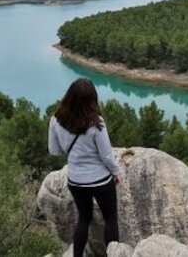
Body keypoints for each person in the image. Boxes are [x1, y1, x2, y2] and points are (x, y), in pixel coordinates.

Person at [48, 78, 121, 256]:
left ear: (69, 96)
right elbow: (106, 155)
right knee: (110, 219)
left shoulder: (56, 120)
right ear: (92, 99)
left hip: (76, 182)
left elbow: (54, 150)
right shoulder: (97, 123)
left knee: (84, 218)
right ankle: (114, 253)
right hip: (101, 182)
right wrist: (117, 172)